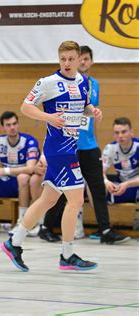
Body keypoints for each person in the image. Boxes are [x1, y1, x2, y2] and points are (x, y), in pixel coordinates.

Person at [1, 40, 102, 272]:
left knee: (48, 200)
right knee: (76, 200)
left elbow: (83, 107)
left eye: (71, 59)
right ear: (59, 59)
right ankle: (67, 255)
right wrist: (49, 118)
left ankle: (14, 242)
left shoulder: (84, 82)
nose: (66, 63)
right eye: (63, 59)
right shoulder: (47, 83)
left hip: (71, 146)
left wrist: (92, 111)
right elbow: (26, 107)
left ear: (79, 60)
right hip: (59, 150)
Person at [40, 46, 129, 244]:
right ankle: (46, 227)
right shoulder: (61, 83)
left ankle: (105, 230)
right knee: (61, 189)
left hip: (89, 145)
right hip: (68, 145)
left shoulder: (92, 84)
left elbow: (88, 111)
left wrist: (94, 115)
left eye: (87, 59)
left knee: (97, 187)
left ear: (91, 61)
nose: (83, 63)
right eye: (80, 59)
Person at [103, 118, 138, 207]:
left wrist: (127, 184)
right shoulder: (110, 148)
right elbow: (100, 171)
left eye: (124, 132)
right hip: (120, 185)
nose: (120, 136)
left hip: (135, 184)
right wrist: (106, 182)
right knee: (93, 185)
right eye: (117, 133)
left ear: (131, 132)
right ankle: (101, 220)